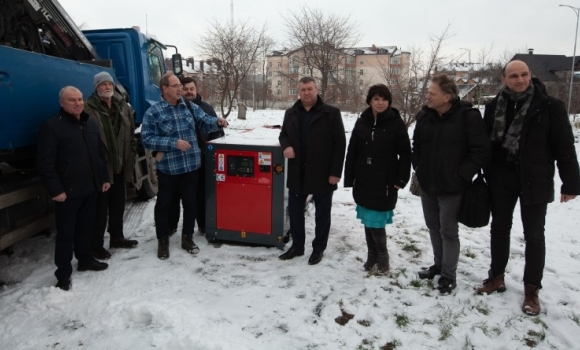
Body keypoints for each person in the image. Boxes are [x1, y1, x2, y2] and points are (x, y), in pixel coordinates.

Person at [475, 60, 580, 315]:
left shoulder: (549, 107)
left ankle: (532, 290)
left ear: (530, 75)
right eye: (513, 76)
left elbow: (564, 146)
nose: (519, 80)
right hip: (502, 177)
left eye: (524, 75)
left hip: (535, 178)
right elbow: (485, 142)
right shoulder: (493, 106)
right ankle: (496, 276)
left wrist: (571, 182)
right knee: (499, 228)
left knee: (534, 235)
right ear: (504, 79)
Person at [412, 74, 490, 294]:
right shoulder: (425, 116)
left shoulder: (468, 117)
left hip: (453, 187)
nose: (427, 95)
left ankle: (448, 274)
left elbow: (480, 150)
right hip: (428, 184)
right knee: (433, 227)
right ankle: (438, 265)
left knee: (448, 231)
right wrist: (418, 166)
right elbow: (416, 145)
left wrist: (462, 175)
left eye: (432, 93)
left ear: (447, 97)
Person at [141, 73, 228, 260]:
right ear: (164, 89)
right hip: (169, 169)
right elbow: (147, 139)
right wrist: (173, 143)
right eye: (175, 86)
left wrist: (217, 121)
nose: (179, 89)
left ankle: (187, 237)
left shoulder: (188, 106)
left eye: (180, 85)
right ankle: (163, 240)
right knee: (164, 204)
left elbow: (204, 120)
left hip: (191, 165)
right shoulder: (154, 112)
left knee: (190, 203)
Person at [37, 86, 111, 291]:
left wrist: (103, 177)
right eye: (72, 100)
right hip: (67, 193)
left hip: (90, 188)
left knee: (86, 228)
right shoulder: (52, 127)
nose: (78, 103)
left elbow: (99, 155)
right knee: (66, 234)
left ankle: (85, 260)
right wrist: (55, 189)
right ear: (62, 103)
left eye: (80, 99)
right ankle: (63, 274)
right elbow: (45, 163)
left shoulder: (89, 123)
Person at [278, 76, 346, 265]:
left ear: (317, 89)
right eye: (303, 90)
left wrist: (335, 172)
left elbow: (339, 144)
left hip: (322, 172)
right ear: (298, 92)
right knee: (295, 211)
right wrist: (286, 146)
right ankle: (297, 246)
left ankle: (318, 249)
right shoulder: (291, 113)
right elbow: (283, 135)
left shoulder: (331, 113)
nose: (306, 93)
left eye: (310, 89)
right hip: (297, 170)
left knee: (322, 214)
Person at [344, 84, 411, 273]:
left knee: (376, 219)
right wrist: (349, 178)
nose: (380, 103)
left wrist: (401, 179)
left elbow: (405, 153)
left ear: (389, 101)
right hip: (363, 176)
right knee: (367, 217)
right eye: (376, 99)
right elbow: (353, 151)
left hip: (385, 179)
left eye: (384, 99)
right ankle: (371, 254)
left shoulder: (395, 122)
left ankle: (383, 256)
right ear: (370, 101)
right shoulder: (362, 121)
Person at [84, 72, 139, 260]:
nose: (107, 87)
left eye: (110, 83)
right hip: (101, 167)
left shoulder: (123, 107)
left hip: (121, 164)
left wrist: (131, 154)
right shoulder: (87, 108)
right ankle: (96, 245)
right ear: (96, 87)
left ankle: (117, 237)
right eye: (103, 84)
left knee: (118, 204)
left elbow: (131, 134)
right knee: (100, 209)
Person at [167, 76, 221, 236]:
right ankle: (171, 226)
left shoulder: (206, 108)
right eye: (185, 89)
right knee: (174, 196)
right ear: (179, 90)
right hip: (177, 159)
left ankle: (203, 225)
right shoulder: (174, 108)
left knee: (200, 194)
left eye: (192, 89)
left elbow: (217, 132)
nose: (189, 92)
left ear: (196, 90)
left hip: (202, 158)